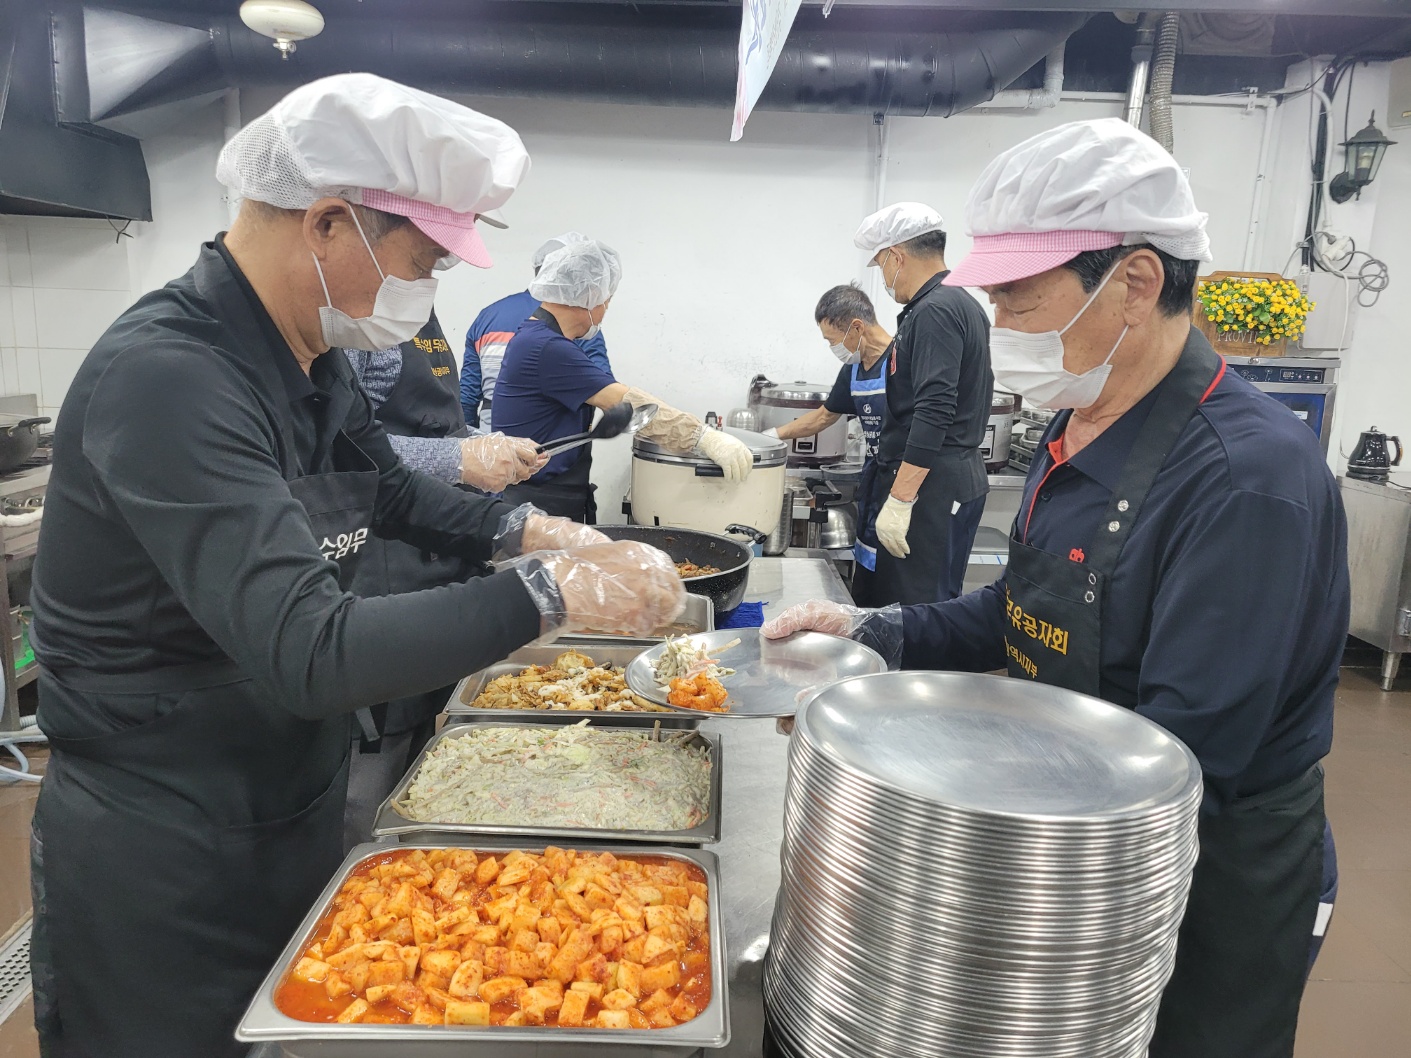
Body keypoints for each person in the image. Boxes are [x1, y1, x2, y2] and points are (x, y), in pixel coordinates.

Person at [26, 73, 685, 1058]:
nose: (427, 291)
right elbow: (313, 649)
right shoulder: (171, 375)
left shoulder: (306, 356)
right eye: (422, 262)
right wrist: (553, 592)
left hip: (287, 798)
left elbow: (394, 494)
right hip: (165, 843)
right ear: (329, 224)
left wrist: (530, 532)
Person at [763, 118, 1347, 1058]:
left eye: (1019, 298)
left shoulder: (1245, 479)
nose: (999, 326)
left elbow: (1185, 755)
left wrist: (949, 820)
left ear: (1135, 282)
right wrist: (876, 632)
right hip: (1077, 816)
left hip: (1201, 873)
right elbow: (1024, 612)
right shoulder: (1079, 426)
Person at [340, 294, 545, 850]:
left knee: (433, 753)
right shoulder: (353, 316)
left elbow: (427, 425)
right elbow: (343, 451)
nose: (429, 278)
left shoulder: (413, 307)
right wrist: (457, 461)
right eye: (425, 259)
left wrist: (482, 444)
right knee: (379, 758)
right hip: (383, 557)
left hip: (437, 556)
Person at [492, 238, 754, 522]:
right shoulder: (547, 348)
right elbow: (628, 403)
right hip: (536, 504)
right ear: (590, 295)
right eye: (607, 300)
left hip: (550, 496)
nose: (605, 309)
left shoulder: (542, 339)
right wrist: (703, 437)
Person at [853, 202, 993, 606]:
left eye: (881, 266)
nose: (884, 279)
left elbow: (935, 409)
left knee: (915, 609)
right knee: (930, 603)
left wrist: (901, 499)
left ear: (896, 257)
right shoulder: (957, 303)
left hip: (932, 486)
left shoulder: (935, 312)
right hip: (942, 478)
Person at [765, 283, 892, 581]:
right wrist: (772, 435)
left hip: (905, 486)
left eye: (832, 340)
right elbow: (824, 417)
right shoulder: (854, 368)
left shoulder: (903, 361)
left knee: (897, 574)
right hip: (875, 479)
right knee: (868, 570)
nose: (833, 348)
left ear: (857, 327)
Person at [459, 232, 612, 426]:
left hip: (491, 437)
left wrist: (471, 441)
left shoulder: (487, 316)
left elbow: (467, 398)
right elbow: (604, 388)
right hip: (551, 440)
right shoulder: (578, 322)